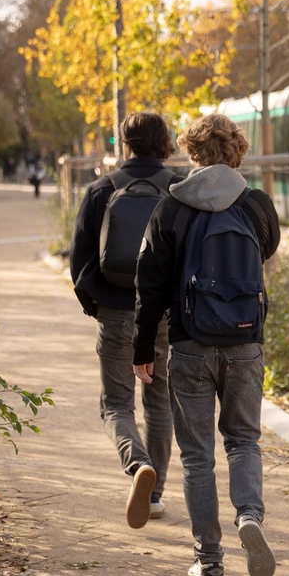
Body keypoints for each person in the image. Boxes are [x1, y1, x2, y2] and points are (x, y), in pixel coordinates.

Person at [133, 114, 280, 576]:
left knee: (198, 458)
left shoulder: (172, 206)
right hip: (244, 344)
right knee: (244, 440)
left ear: (191, 152)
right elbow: (267, 250)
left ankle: (209, 561)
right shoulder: (257, 204)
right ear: (237, 150)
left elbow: (149, 286)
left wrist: (142, 347)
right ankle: (250, 516)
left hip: (190, 345)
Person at [70, 113, 180, 531]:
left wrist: (99, 307)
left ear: (126, 143)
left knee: (116, 404)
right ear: (164, 143)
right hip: (164, 314)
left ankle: (137, 466)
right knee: (160, 402)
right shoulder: (177, 191)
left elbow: (80, 260)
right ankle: (153, 497)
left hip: (117, 312)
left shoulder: (101, 189)